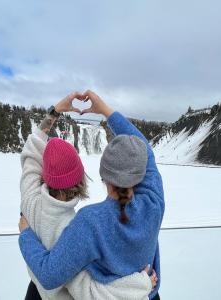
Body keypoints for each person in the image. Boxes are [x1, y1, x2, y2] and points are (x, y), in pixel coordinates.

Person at [19, 90, 164, 300]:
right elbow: (145, 151)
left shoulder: (89, 222)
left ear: (104, 177)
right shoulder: (154, 202)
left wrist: (25, 235)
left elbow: (50, 275)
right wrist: (105, 110)